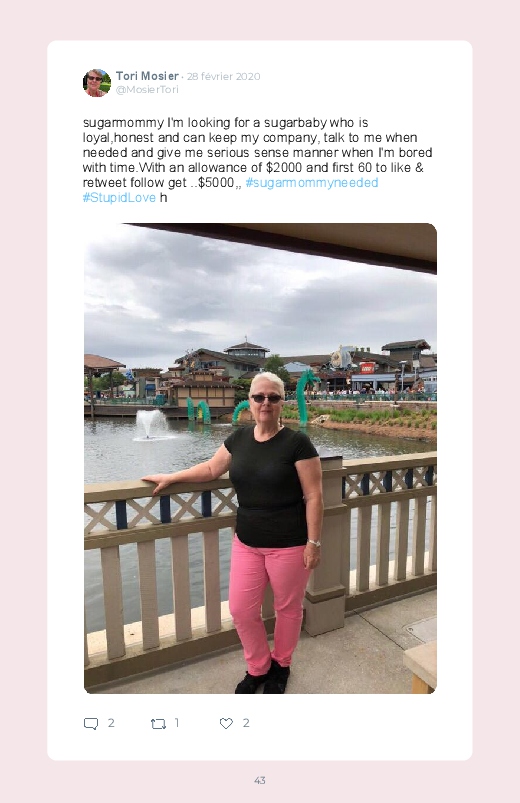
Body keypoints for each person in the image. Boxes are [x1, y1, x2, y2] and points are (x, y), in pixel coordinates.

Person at [142, 372, 323, 694]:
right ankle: (258, 667)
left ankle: (281, 665)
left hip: (290, 543)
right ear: (249, 401)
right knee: (241, 609)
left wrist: (313, 542)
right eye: (259, 397)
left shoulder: (297, 443)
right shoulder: (238, 439)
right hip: (247, 541)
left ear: (282, 402)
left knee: (287, 609)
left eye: (273, 397)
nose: (265, 403)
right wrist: (173, 476)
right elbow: (212, 469)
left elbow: (314, 496)